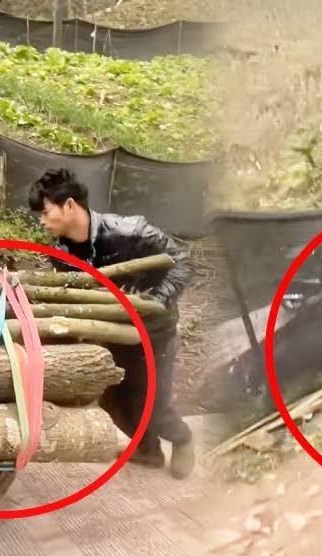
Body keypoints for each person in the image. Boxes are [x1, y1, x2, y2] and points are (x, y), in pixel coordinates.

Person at [28, 169, 197, 480]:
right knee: (116, 400)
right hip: (112, 332)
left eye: (45, 211)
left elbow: (183, 261)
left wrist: (158, 299)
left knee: (153, 403)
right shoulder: (63, 253)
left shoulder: (131, 231)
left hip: (153, 332)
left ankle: (183, 438)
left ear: (68, 206)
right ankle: (147, 451)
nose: (41, 220)